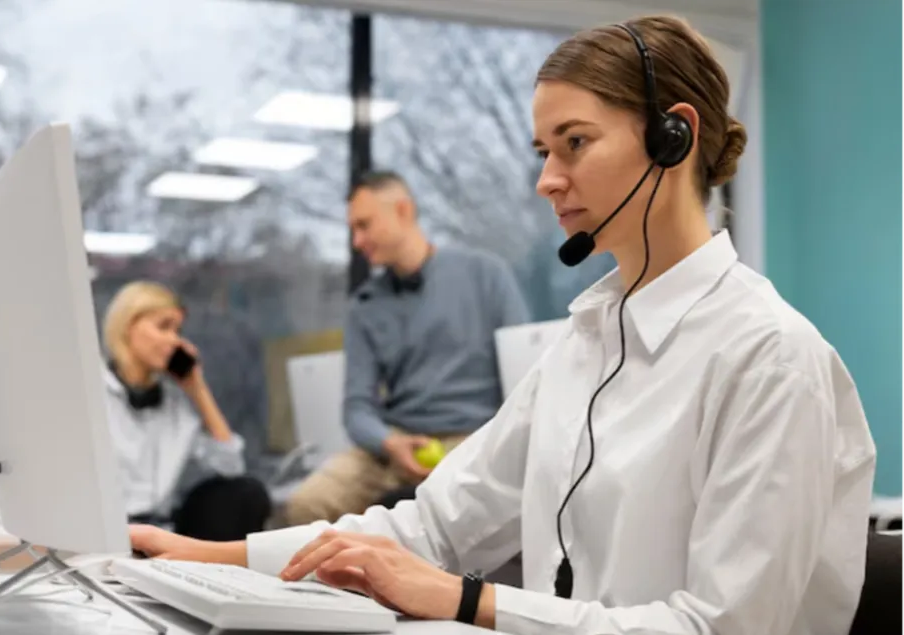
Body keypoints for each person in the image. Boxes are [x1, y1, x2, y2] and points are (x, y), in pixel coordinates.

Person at [129, 16, 876, 635]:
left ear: (671, 137)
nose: (546, 178)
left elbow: (720, 628)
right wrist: (206, 557)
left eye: (574, 142)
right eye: (542, 150)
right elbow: (433, 527)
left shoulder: (770, 358)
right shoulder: (583, 345)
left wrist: (464, 600)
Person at [283, 170, 530, 525]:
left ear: (403, 210)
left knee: (428, 510)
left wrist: (492, 444)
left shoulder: (486, 274)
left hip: (475, 438)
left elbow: (523, 377)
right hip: (394, 445)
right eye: (353, 229)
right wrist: (388, 444)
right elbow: (357, 409)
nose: (357, 241)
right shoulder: (364, 306)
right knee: (305, 506)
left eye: (364, 225)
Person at [102, 281, 271, 540]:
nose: (174, 340)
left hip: (163, 531)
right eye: (163, 327)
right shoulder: (93, 395)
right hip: (108, 532)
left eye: (177, 330)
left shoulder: (174, 404)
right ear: (127, 326)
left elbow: (231, 466)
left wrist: (198, 390)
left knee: (245, 492)